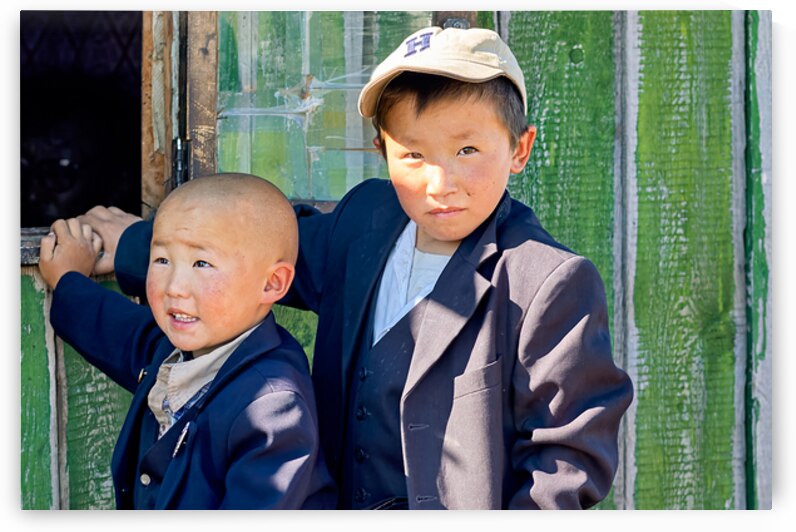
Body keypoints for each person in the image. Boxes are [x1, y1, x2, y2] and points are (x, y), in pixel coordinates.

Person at [81, 26, 633, 510]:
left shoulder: (546, 282)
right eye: (413, 155)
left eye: (467, 150)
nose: (440, 183)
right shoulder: (364, 223)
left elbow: (568, 457)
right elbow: (256, 250)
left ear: (520, 148)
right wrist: (129, 244)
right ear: (382, 149)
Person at [38, 173, 336, 509]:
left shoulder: (272, 409)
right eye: (162, 260)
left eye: (202, 263)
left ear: (272, 284)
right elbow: (118, 332)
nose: (174, 286)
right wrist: (67, 279)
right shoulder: (179, 351)